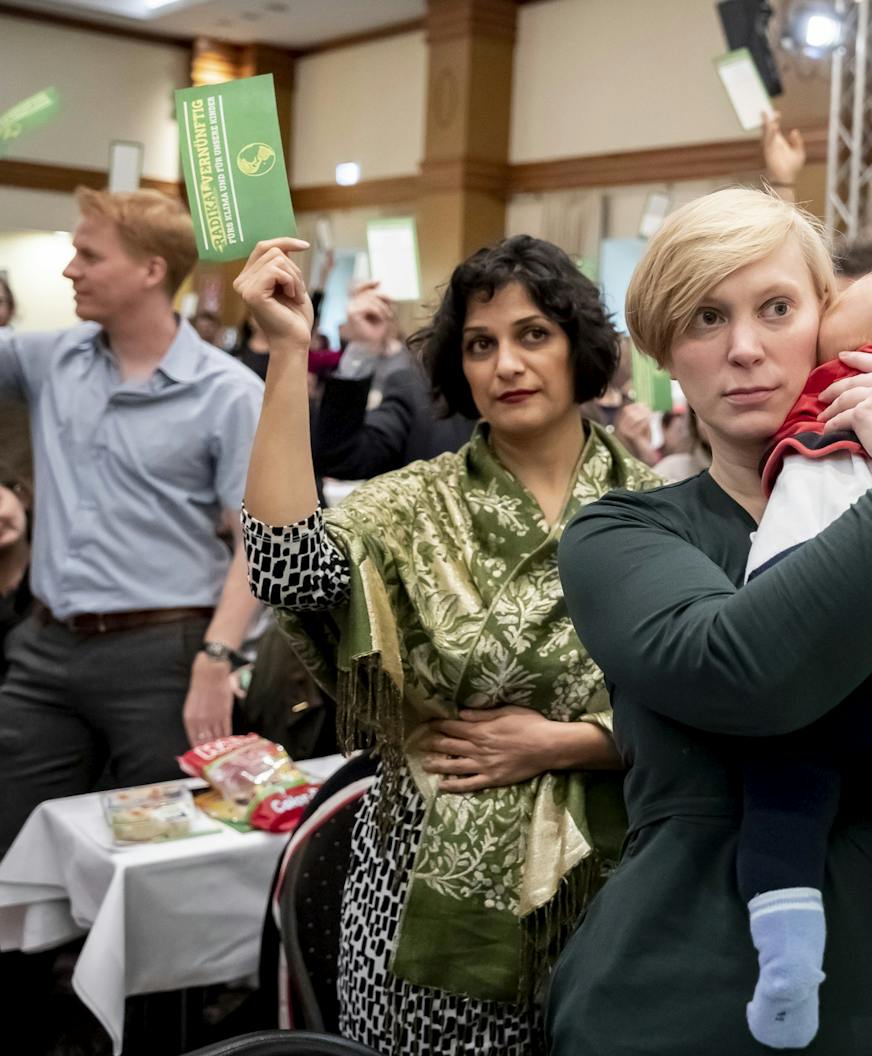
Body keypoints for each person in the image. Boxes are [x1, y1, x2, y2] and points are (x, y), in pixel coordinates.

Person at [550, 188, 872, 1054]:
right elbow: (751, 673)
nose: (746, 348)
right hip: (702, 1008)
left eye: (777, 309)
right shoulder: (623, 533)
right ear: (665, 352)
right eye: (706, 318)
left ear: (827, 323)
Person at [237, 233, 661, 1054]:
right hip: (423, 906)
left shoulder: (655, 509)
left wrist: (569, 744)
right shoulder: (413, 505)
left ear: (580, 346)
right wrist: (289, 354)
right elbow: (286, 568)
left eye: (533, 334)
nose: (507, 364)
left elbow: (721, 706)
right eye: (480, 344)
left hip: (626, 893)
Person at [0, 188, 263, 852]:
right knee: (13, 849)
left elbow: (257, 544)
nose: (70, 270)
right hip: (45, 647)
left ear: (152, 270)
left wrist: (217, 659)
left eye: (89, 256)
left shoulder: (228, 393)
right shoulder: (51, 358)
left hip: (163, 655)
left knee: (158, 851)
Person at [311, 280, 475, 480]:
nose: (505, 365)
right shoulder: (417, 393)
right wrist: (363, 347)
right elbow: (341, 457)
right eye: (482, 343)